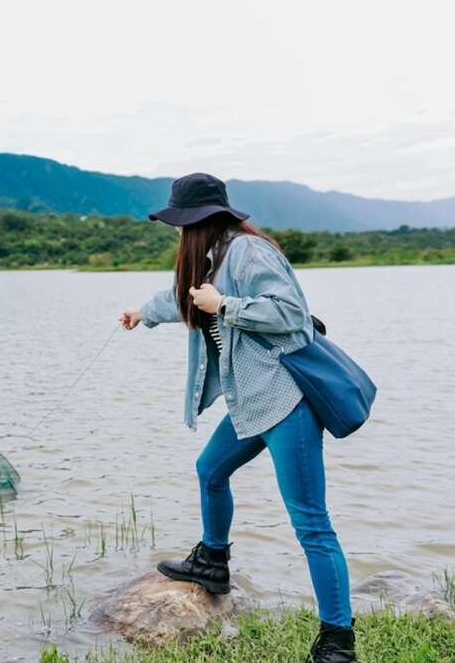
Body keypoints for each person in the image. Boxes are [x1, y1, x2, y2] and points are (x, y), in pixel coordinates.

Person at [120, 173, 357, 663]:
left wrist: (225, 304)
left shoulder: (249, 252)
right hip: (251, 402)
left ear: (201, 220)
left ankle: (338, 641)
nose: (176, 230)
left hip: (287, 403)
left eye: (180, 221)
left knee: (311, 523)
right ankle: (213, 561)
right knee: (210, 470)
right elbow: (182, 297)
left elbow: (292, 313)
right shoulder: (211, 257)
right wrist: (141, 312)